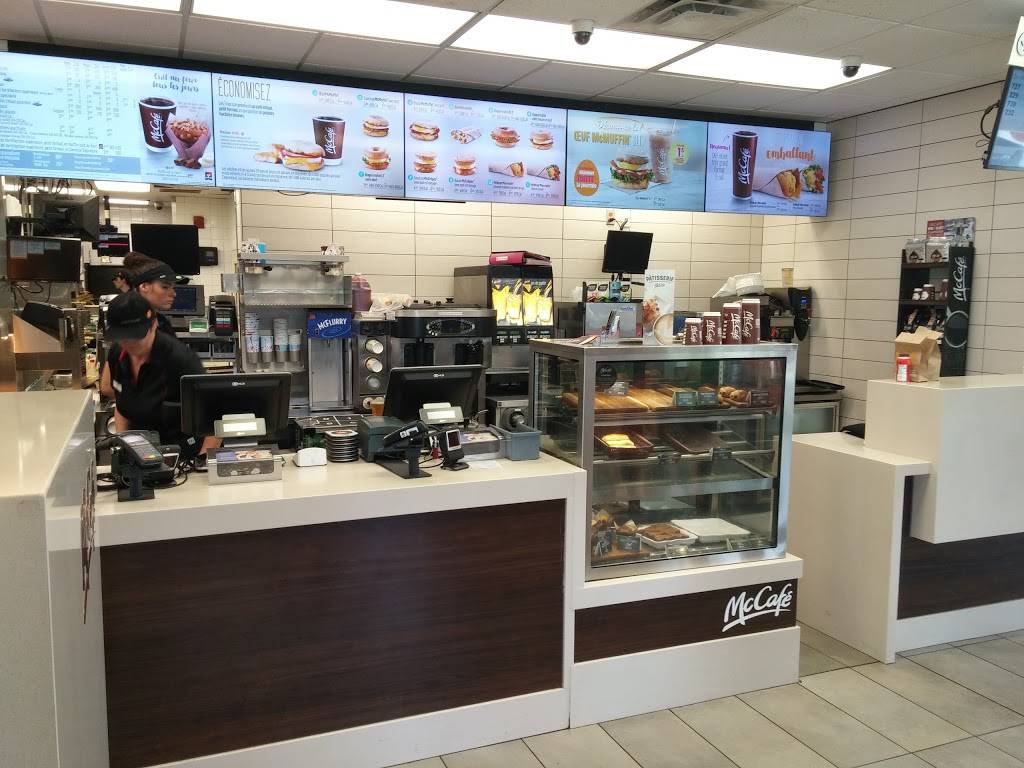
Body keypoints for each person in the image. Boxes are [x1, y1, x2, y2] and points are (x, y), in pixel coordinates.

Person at [102, 291, 217, 457]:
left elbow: (215, 416)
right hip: (140, 451)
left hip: (182, 454)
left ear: (153, 325)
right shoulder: (117, 353)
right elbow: (122, 404)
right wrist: (124, 444)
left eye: (136, 336)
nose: (129, 344)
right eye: (123, 338)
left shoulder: (180, 360)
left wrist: (203, 460)